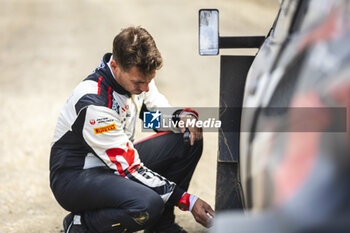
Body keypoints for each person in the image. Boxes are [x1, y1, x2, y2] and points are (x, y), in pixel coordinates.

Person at [50, 26, 215, 233]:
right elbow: (129, 169)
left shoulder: (136, 80)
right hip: (76, 178)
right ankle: (81, 225)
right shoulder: (94, 103)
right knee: (147, 205)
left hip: (114, 164)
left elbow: (152, 118)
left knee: (188, 138)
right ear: (116, 65)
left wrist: (182, 117)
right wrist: (187, 200)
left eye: (149, 81)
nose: (145, 88)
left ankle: (161, 228)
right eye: (139, 82)